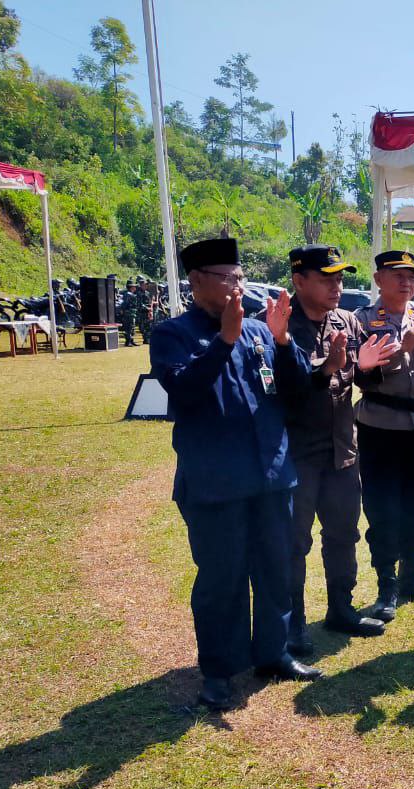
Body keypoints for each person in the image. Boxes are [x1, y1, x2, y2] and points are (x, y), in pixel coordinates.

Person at [148, 237, 318, 709]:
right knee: (222, 579)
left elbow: (297, 391)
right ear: (197, 280)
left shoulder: (261, 332)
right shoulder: (173, 334)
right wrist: (223, 340)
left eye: (240, 277)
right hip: (216, 483)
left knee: (274, 569)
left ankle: (274, 652)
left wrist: (283, 341)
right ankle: (219, 672)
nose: (237, 285)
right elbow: (183, 390)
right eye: (227, 278)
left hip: (271, 475)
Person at [283, 245, 399, 655]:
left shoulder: (347, 320)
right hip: (297, 454)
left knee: (343, 535)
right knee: (293, 543)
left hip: (342, 451)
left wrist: (372, 365)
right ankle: (292, 624)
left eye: (340, 277)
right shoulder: (280, 327)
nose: (337, 285)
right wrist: (327, 368)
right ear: (299, 281)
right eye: (327, 277)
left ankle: (340, 608)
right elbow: (284, 387)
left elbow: (367, 377)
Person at [353, 250, 414, 621]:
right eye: (398, 275)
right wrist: (402, 349)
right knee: (381, 506)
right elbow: (363, 375)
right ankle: (386, 585)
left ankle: (411, 576)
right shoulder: (363, 320)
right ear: (379, 279)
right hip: (380, 424)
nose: (407, 282)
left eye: (412, 276)